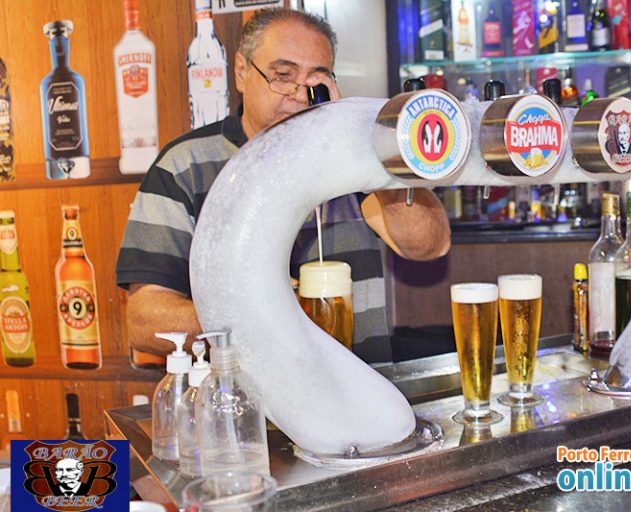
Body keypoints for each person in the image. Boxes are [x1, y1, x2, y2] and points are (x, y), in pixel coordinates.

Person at [116, 8, 451, 363]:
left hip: (362, 385)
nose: (299, 94)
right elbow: (144, 321)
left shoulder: (352, 155)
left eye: (315, 79)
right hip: (242, 394)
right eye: (282, 76)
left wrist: (365, 145)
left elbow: (429, 245)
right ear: (242, 72)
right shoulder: (186, 166)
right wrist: (255, 317)